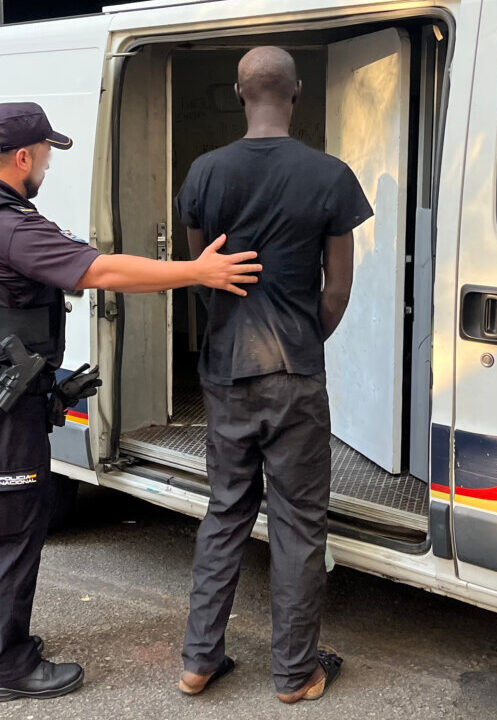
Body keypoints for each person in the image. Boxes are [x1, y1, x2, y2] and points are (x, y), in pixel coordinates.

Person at [0, 102, 262, 703]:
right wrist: (198, 271)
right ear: (25, 156)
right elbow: (102, 271)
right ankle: (8, 668)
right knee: (11, 528)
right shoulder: (11, 226)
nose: (49, 167)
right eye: (48, 155)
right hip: (3, 407)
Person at [175, 47, 373, 703]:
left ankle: (199, 661)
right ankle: (295, 673)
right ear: (295, 95)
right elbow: (338, 291)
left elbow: (203, 270)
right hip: (295, 375)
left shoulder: (205, 171)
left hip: (226, 370)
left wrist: (232, 329)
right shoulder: (329, 176)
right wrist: (301, 340)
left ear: (239, 92)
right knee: (297, 525)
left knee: (225, 513)